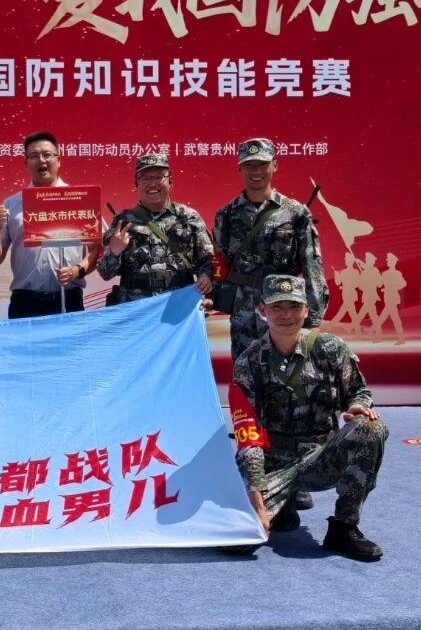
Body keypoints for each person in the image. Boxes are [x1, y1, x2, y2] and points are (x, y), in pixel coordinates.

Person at [231, 275, 389, 561]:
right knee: (235, 542)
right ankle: (283, 505)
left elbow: (359, 391)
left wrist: (356, 406)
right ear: (263, 310)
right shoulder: (248, 363)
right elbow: (248, 437)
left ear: (306, 310)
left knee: (370, 428)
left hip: (321, 458)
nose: (286, 315)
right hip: (273, 464)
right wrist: (257, 503)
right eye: (277, 307)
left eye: (294, 306)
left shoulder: (331, 349)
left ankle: (344, 527)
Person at [213, 137, 328, 362]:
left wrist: (313, 319)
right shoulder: (226, 214)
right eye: (249, 165)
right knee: (245, 368)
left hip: (284, 308)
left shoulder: (296, 213)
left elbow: (312, 267)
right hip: (243, 311)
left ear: (274, 165)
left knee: (287, 369)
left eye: (263, 164)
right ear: (239, 168)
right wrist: (215, 298)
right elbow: (220, 262)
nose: (256, 171)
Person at [0, 131, 101, 318]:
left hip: (69, 298)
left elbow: (99, 251)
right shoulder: (11, 204)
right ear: (26, 163)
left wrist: (77, 270)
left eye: (47, 154)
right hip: (25, 302)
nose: (41, 160)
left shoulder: (81, 200)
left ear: (59, 160)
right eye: (34, 156)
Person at [97, 153, 212, 304]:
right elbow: (105, 273)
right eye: (145, 178)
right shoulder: (122, 221)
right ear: (136, 184)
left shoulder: (188, 217)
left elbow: (209, 260)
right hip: (136, 307)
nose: (152, 184)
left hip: (179, 304)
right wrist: (114, 251)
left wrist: (206, 277)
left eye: (159, 177)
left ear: (170, 181)